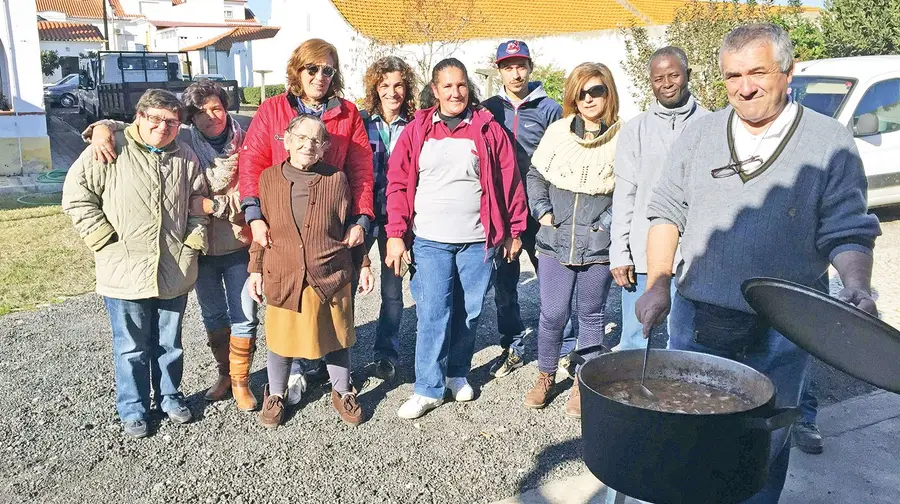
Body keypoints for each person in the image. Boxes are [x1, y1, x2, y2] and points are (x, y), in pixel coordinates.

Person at [636, 23, 881, 503]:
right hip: (699, 320)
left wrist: (857, 284)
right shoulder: (699, 134)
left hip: (784, 327)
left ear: (788, 73)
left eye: (757, 73)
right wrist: (658, 284)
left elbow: (848, 228)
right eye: (732, 77)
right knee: (695, 435)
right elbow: (667, 211)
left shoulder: (828, 142)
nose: (744, 88)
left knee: (762, 444)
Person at [83, 81, 260, 412]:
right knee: (213, 314)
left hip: (240, 241)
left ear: (227, 108)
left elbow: (256, 187)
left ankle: (241, 382)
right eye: (201, 112)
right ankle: (224, 374)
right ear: (191, 120)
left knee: (245, 315)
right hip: (201, 250)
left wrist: (211, 207)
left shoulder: (247, 139)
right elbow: (144, 127)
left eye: (217, 108)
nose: (211, 117)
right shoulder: (184, 141)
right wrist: (103, 128)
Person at [385, 58, 529, 420]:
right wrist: (395, 235)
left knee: (470, 310)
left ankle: (456, 373)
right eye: (447, 86)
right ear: (434, 90)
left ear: (469, 88)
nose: (456, 92)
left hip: (476, 240)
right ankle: (427, 388)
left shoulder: (487, 129)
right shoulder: (417, 130)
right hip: (430, 239)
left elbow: (509, 182)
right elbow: (398, 185)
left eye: (461, 85)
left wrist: (514, 230)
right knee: (433, 311)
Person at [62, 89, 209, 438]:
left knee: (170, 343)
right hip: (124, 268)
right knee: (131, 345)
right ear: (139, 118)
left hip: (174, 267)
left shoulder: (185, 156)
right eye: (155, 119)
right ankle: (133, 407)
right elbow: (77, 197)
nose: (163, 127)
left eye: (171, 121)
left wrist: (193, 242)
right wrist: (104, 240)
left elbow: (197, 204)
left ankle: (170, 397)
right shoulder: (110, 148)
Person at [238, 38, 375, 403]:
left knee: (325, 299)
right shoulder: (272, 110)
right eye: (312, 69)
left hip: (327, 216)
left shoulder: (347, 114)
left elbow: (361, 171)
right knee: (288, 299)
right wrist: (255, 215)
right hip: (280, 216)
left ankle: (334, 381)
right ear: (298, 70)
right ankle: (289, 374)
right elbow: (251, 164)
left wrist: (361, 218)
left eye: (327, 70)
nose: (319, 76)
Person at [248, 114, 374, 428]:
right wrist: (255, 270)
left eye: (317, 140)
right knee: (280, 339)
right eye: (301, 138)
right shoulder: (268, 178)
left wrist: (365, 264)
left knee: (336, 336)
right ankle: (275, 393)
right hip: (284, 271)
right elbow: (261, 230)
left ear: (325, 147)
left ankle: (342, 390)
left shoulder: (337, 178)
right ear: (286, 141)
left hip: (330, 269)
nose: (309, 145)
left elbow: (350, 228)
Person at [523, 63, 621, 418]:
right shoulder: (558, 133)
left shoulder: (623, 137)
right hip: (554, 240)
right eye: (582, 92)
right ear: (573, 97)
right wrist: (542, 211)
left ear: (609, 93)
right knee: (552, 313)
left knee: (591, 315)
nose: (589, 98)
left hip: (598, 246)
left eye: (597, 90)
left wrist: (605, 224)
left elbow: (629, 189)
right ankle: (546, 375)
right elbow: (536, 174)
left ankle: (583, 382)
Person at [481, 40, 573, 379]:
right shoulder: (489, 108)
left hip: (540, 209)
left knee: (553, 280)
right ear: (499, 70)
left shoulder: (550, 109)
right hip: (503, 209)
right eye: (508, 66)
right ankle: (514, 346)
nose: (515, 72)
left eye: (521, 65)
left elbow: (563, 156)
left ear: (530, 68)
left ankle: (566, 347)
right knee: (504, 285)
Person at [609, 46, 708, 351]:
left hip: (695, 257)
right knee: (637, 340)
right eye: (658, 78)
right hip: (643, 253)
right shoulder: (635, 130)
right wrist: (620, 252)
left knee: (687, 343)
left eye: (674, 75)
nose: (666, 83)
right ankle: (630, 399)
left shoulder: (712, 126)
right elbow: (624, 194)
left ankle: (679, 400)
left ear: (687, 75)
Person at [359, 56, 417, 381]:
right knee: (346, 281)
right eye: (385, 86)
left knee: (392, 291)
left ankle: (386, 354)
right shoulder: (361, 121)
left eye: (398, 85)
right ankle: (336, 356)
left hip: (402, 218)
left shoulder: (416, 123)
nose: (392, 92)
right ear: (375, 89)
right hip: (366, 213)